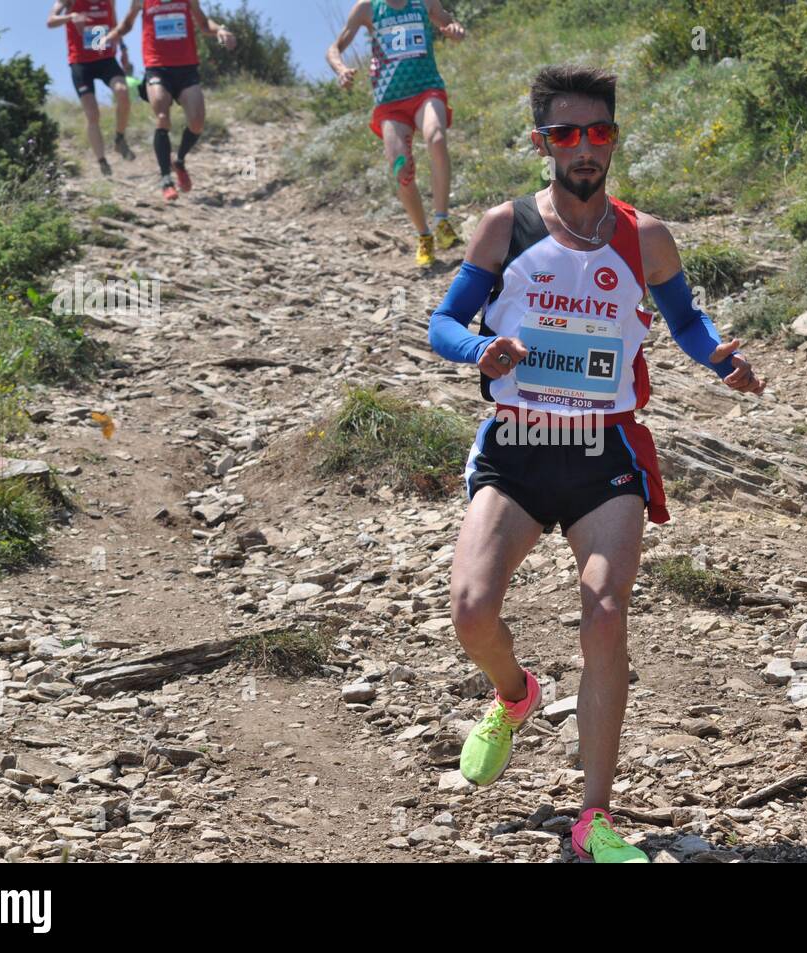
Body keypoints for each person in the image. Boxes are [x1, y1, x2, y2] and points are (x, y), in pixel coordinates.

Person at [427, 64, 765, 863]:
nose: (585, 148)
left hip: (603, 448)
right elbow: (442, 322)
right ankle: (515, 696)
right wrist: (482, 347)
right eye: (567, 134)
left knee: (606, 612)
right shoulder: (503, 227)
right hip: (517, 448)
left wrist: (720, 357)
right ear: (541, 142)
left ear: (612, 138)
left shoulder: (642, 235)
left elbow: (684, 319)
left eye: (600, 132)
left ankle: (594, 816)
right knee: (472, 611)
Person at [327, 0, 466, 267]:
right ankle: (424, 236)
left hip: (426, 89)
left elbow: (448, 22)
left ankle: (442, 221)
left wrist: (455, 31)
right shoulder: (367, 8)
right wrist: (341, 69)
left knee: (436, 137)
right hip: (390, 101)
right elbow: (334, 49)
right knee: (400, 169)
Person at [100, 0, 236, 202]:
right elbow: (127, 25)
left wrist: (221, 31)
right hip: (157, 68)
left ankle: (179, 161)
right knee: (162, 117)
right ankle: (166, 180)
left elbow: (205, 24)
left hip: (186, 68)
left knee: (197, 123)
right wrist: (109, 38)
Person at [48, 0, 137, 177]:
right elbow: (50, 21)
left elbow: (115, 23)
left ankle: (119, 139)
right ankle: (102, 161)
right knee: (93, 114)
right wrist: (70, 16)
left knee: (122, 92)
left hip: (105, 58)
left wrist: (124, 48)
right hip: (81, 63)